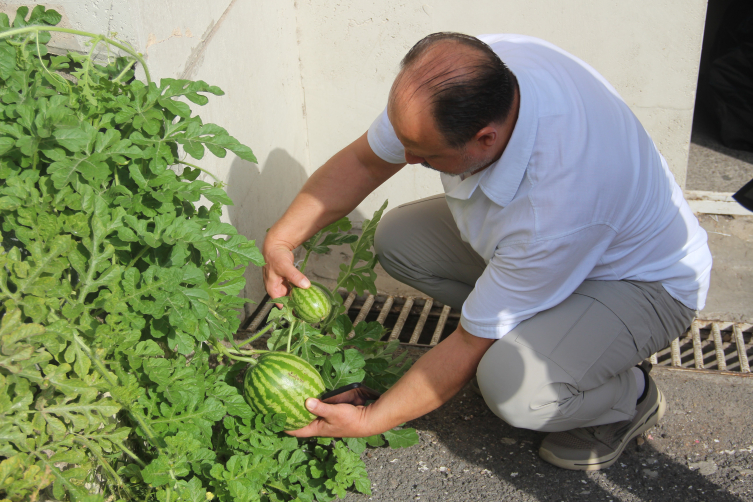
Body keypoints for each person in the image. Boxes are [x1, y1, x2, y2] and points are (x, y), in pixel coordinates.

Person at [262, 32, 712, 471]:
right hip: (558, 249)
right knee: (399, 240)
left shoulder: (556, 204)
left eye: (423, 155)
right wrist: (282, 238)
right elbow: (366, 160)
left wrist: (369, 419)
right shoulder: (469, 73)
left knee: (515, 389)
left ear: (485, 139)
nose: (408, 159)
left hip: (642, 283)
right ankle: (546, 330)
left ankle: (629, 397)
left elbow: (469, 340)